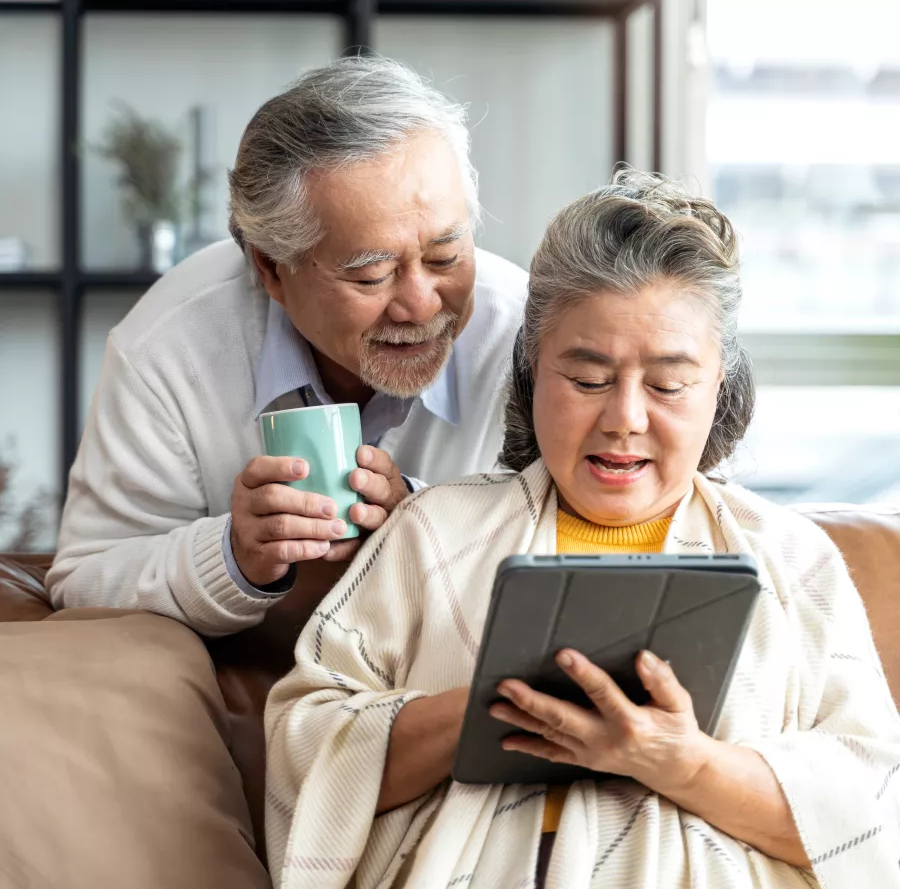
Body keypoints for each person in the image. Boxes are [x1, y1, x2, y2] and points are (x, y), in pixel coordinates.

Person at [264, 170, 900, 889]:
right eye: (589, 379)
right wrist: (484, 705)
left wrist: (682, 762)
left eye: (667, 384)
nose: (625, 417)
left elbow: (870, 806)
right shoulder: (433, 532)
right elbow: (305, 749)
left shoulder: (793, 561)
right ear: (535, 371)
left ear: (718, 382)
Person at [47, 56, 526, 635]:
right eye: (372, 275)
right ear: (271, 271)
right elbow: (85, 577)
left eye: (446, 257)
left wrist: (431, 525)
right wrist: (232, 554)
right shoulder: (167, 345)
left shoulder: (531, 334)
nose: (422, 304)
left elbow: (584, 550)